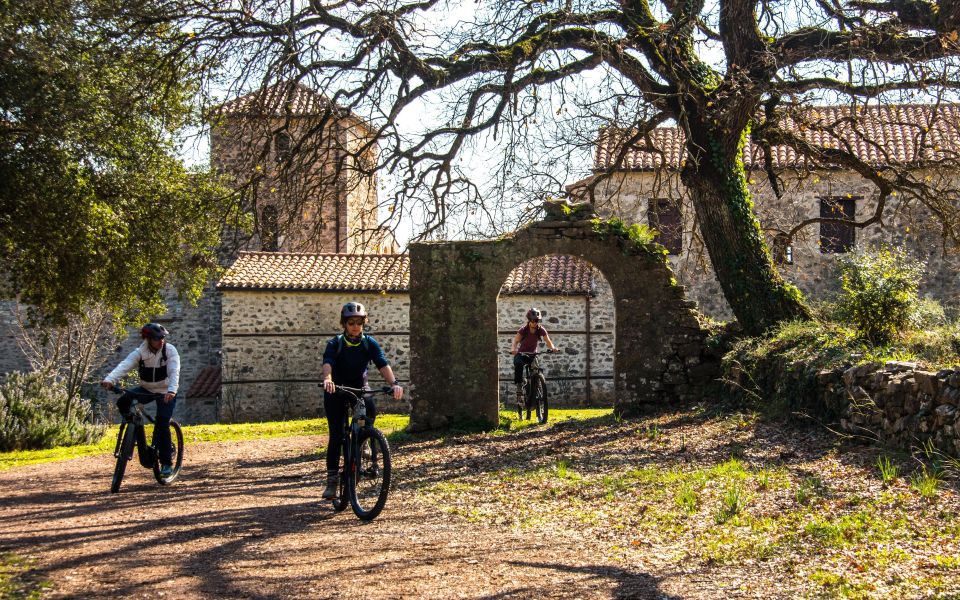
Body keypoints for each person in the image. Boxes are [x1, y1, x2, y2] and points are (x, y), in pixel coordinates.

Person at [321, 302, 403, 499]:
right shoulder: (336, 343)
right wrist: (327, 380)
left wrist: (394, 383)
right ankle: (332, 482)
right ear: (344, 324)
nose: (355, 326)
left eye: (359, 322)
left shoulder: (369, 343)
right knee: (337, 435)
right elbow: (328, 363)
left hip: (359, 386)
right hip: (337, 389)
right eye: (351, 323)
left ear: (363, 323)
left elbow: (382, 363)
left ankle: (364, 439)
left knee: (370, 408)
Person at [100, 323, 180, 478]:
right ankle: (133, 427)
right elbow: (125, 365)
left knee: (162, 422)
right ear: (148, 339)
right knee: (123, 401)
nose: (161, 340)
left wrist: (172, 390)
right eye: (157, 338)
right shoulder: (140, 352)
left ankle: (166, 464)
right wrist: (109, 380)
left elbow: (174, 370)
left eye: (162, 337)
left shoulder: (170, 351)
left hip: (166, 391)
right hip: (147, 389)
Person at [510, 308, 559, 402]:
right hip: (521, 354)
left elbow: (548, 341)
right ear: (529, 320)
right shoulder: (523, 330)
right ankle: (519, 385)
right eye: (533, 320)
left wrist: (553, 348)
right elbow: (515, 341)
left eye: (537, 320)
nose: (535, 322)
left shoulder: (541, 330)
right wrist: (513, 349)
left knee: (536, 371)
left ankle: (537, 387)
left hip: (533, 354)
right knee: (518, 363)